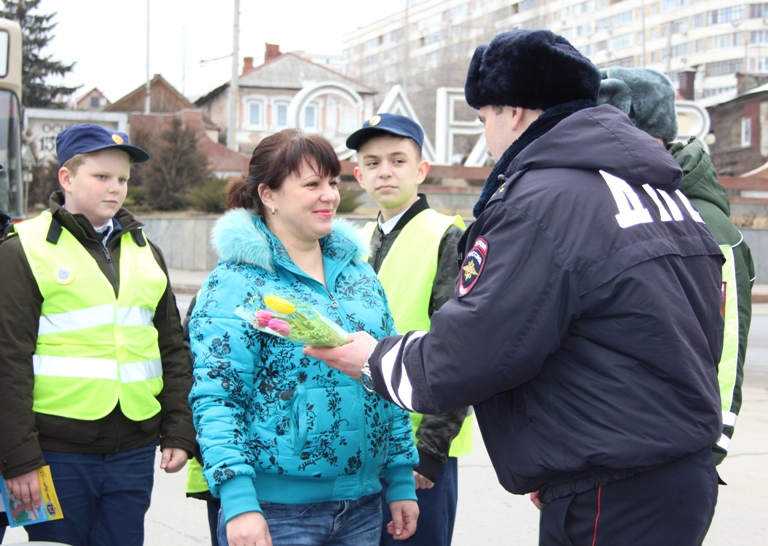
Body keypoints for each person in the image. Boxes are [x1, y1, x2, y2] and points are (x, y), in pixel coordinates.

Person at [305, 29, 724, 545]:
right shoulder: (658, 191)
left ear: (515, 112)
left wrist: (371, 359)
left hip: (612, 489)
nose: (486, 137)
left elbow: (473, 350)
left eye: (484, 119)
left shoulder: (541, 201)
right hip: (676, 474)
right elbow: (694, 328)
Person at [188, 128, 419, 546]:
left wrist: (400, 477)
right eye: (312, 184)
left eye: (332, 182)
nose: (329, 195)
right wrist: (239, 501)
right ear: (270, 195)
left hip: (363, 503)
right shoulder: (236, 282)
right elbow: (217, 397)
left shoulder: (358, 273)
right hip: (276, 512)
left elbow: (386, 371)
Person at [0, 123, 196, 546]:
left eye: (123, 179)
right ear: (66, 178)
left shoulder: (147, 251)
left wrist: (179, 428)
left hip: (133, 451)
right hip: (55, 454)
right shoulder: (23, 249)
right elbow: (7, 361)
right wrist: (18, 458)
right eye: (102, 176)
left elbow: (171, 349)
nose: (116, 188)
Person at [598, 66, 756, 466]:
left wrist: (715, 439)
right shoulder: (611, 203)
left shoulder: (709, 225)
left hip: (676, 449)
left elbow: (726, 343)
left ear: (652, 135)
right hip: (605, 442)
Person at [347, 113, 473, 546]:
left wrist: (431, 450)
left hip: (419, 448)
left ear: (421, 170)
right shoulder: (353, 240)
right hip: (359, 444)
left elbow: (462, 349)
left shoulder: (448, 236)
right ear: (358, 173)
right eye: (373, 161)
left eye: (398, 160)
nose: (385, 171)